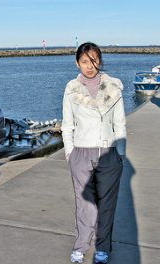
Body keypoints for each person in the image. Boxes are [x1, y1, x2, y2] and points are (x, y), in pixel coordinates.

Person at [62, 42, 126, 264]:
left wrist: (121, 153)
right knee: (85, 205)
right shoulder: (71, 89)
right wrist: (70, 154)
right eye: (85, 61)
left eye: (94, 60)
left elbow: (120, 123)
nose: (90, 66)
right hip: (81, 152)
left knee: (107, 204)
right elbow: (67, 125)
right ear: (77, 63)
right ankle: (81, 245)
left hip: (108, 152)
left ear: (101, 60)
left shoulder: (114, 88)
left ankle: (102, 247)